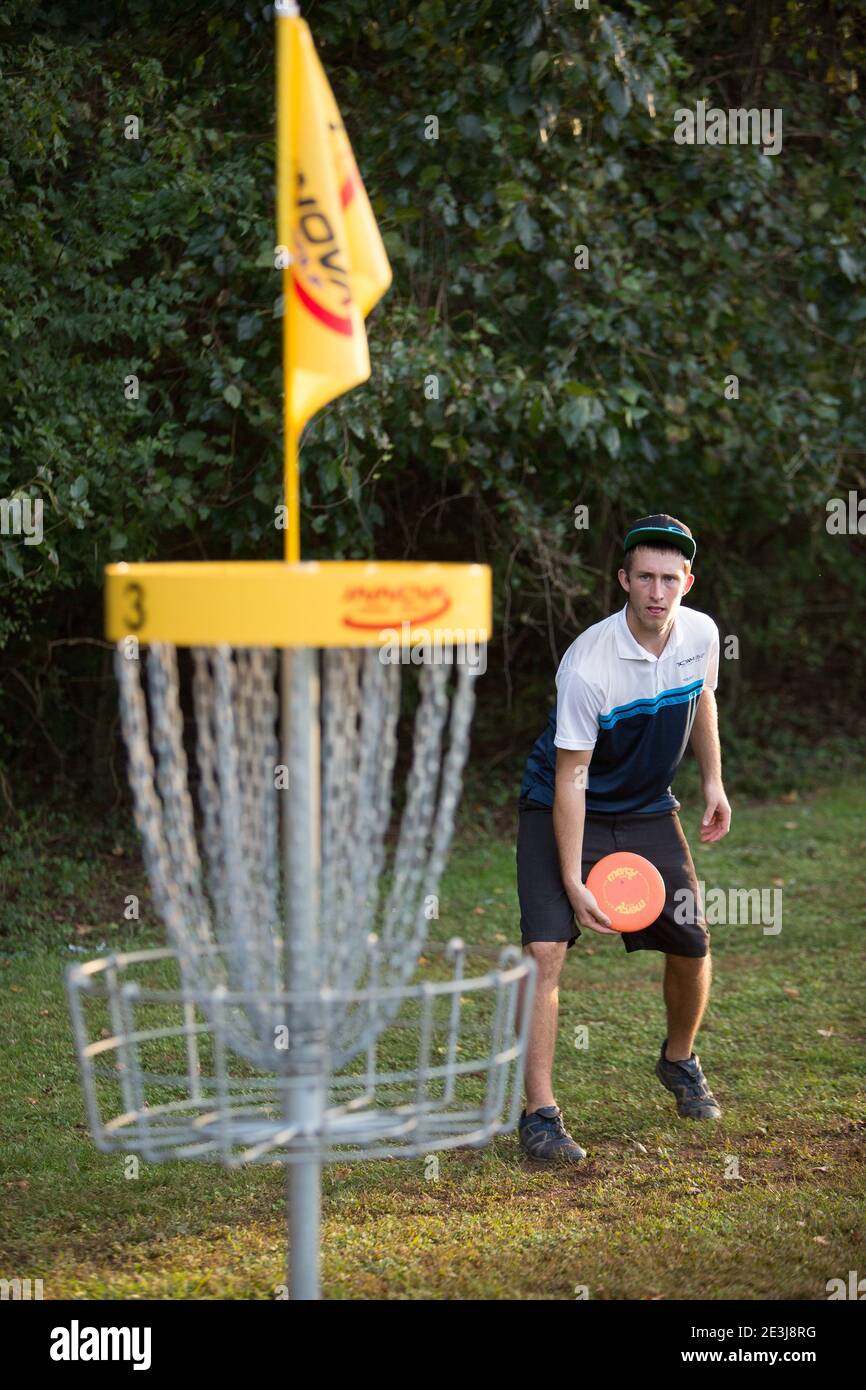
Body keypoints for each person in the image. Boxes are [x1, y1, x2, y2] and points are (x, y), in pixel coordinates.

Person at [515, 514, 731, 1162]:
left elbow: (704, 701)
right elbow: (571, 776)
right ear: (624, 580)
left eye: (670, 578)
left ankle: (678, 1060)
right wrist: (576, 878)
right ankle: (540, 1115)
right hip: (558, 803)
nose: (657, 591)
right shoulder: (588, 664)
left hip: (645, 808)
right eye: (645, 578)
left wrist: (713, 782)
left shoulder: (701, 635)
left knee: (691, 940)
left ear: (687, 581)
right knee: (545, 952)